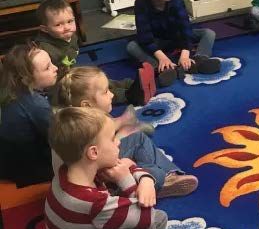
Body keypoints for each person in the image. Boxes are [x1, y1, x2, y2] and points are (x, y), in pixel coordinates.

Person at [45, 106, 177, 229]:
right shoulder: (93, 202)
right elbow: (144, 214)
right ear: (93, 153)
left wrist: (144, 178)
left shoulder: (67, 173)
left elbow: (125, 165)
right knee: (151, 218)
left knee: (159, 219)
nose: (118, 143)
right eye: (112, 138)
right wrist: (127, 180)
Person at [55, 66, 198, 198]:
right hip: (109, 182)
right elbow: (104, 170)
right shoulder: (87, 133)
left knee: (137, 136)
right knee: (157, 174)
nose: (111, 95)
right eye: (105, 92)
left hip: (103, 162)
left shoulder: (77, 120)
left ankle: (168, 176)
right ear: (86, 105)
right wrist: (131, 167)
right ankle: (158, 181)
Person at [35, 0, 154, 105]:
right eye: (58, 24)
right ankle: (129, 96)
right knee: (92, 93)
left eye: (70, 21)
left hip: (70, 74)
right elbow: (46, 81)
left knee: (97, 79)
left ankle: (130, 84)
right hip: (59, 88)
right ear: (45, 29)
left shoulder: (69, 36)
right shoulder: (44, 51)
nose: (66, 27)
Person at [127, 0, 220, 87]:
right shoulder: (140, 4)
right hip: (158, 41)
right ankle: (163, 68)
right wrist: (162, 58)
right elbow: (145, 36)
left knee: (209, 33)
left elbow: (186, 28)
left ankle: (199, 60)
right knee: (131, 46)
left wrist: (185, 53)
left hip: (178, 37)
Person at [0, 43, 59, 185]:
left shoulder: (10, 89)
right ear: (27, 78)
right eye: (47, 68)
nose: (55, 68)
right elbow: (61, 138)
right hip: (29, 170)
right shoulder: (36, 105)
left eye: (51, 62)